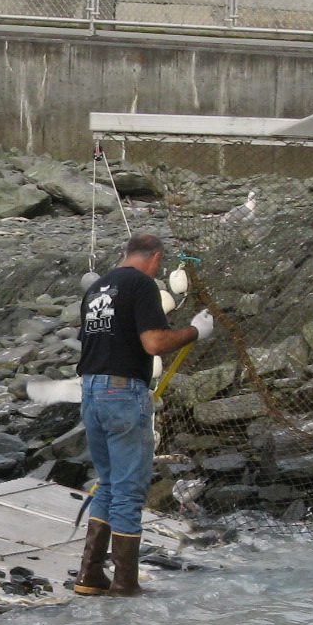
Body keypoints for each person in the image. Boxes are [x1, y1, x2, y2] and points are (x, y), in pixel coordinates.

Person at [73, 232, 215, 597]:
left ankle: (89, 576)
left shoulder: (97, 288)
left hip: (90, 390)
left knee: (107, 484)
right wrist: (196, 331)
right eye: (161, 263)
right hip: (123, 393)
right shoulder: (142, 284)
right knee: (129, 492)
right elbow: (153, 342)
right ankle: (125, 583)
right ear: (155, 258)